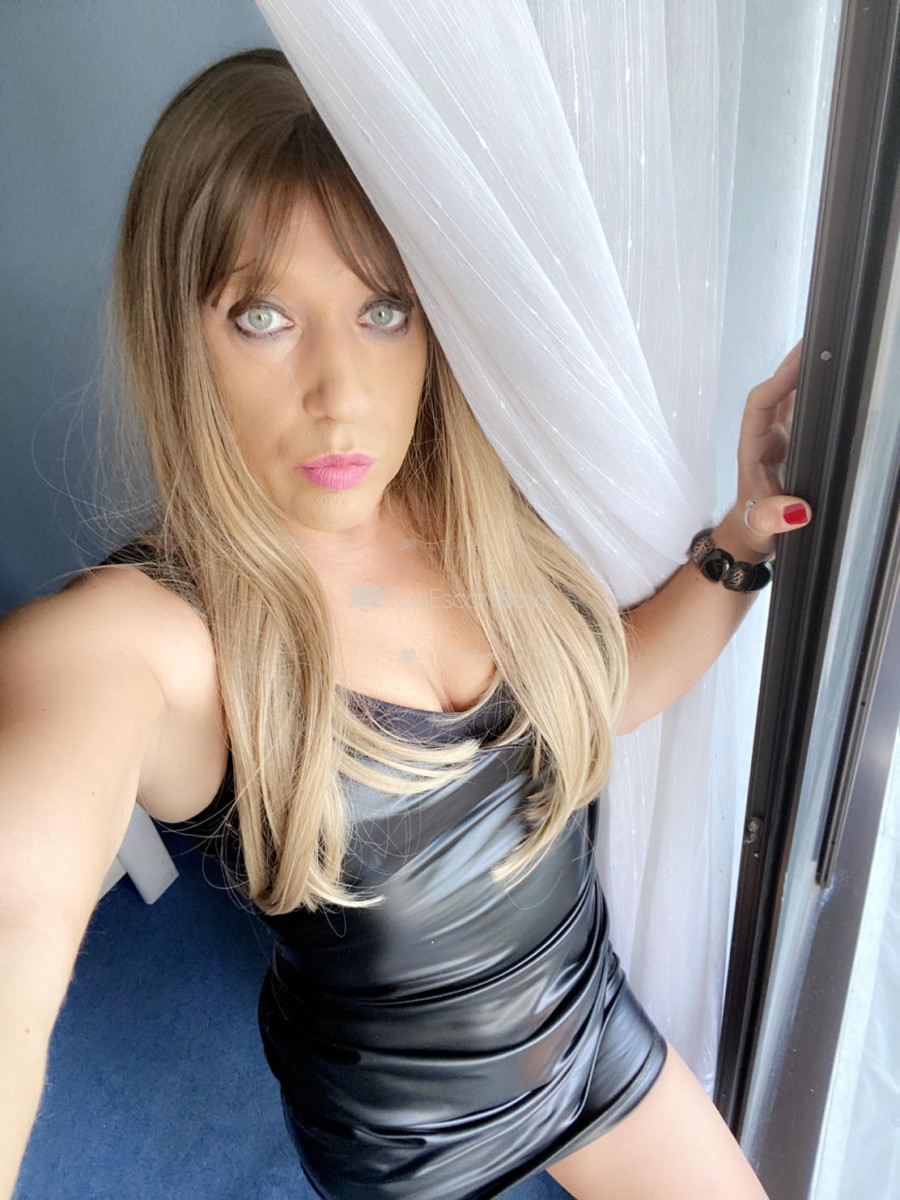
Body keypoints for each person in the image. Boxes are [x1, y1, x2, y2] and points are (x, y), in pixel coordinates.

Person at [0, 46, 812, 1200]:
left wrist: (739, 543)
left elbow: (607, 689)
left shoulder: (484, 515)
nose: (339, 391)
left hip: (592, 1036)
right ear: (179, 333)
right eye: (264, 316)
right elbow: (18, 913)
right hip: (407, 1142)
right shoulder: (159, 640)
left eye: (382, 310)